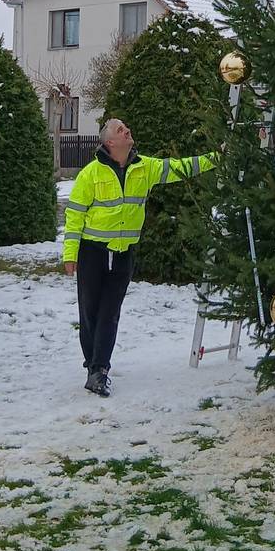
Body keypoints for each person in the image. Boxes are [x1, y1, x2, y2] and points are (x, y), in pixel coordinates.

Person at [62, 118, 217, 396]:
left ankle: (100, 369)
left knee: (110, 312)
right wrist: (70, 255)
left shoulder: (144, 167)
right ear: (110, 142)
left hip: (124, 253)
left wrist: (216, 159)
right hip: (93, 252)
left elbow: (180, 167)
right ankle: (92, 364)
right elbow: (74, 216)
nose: (127, 131)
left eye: (126, 128)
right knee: (90, 311)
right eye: (121, 130)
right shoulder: (91, 174)